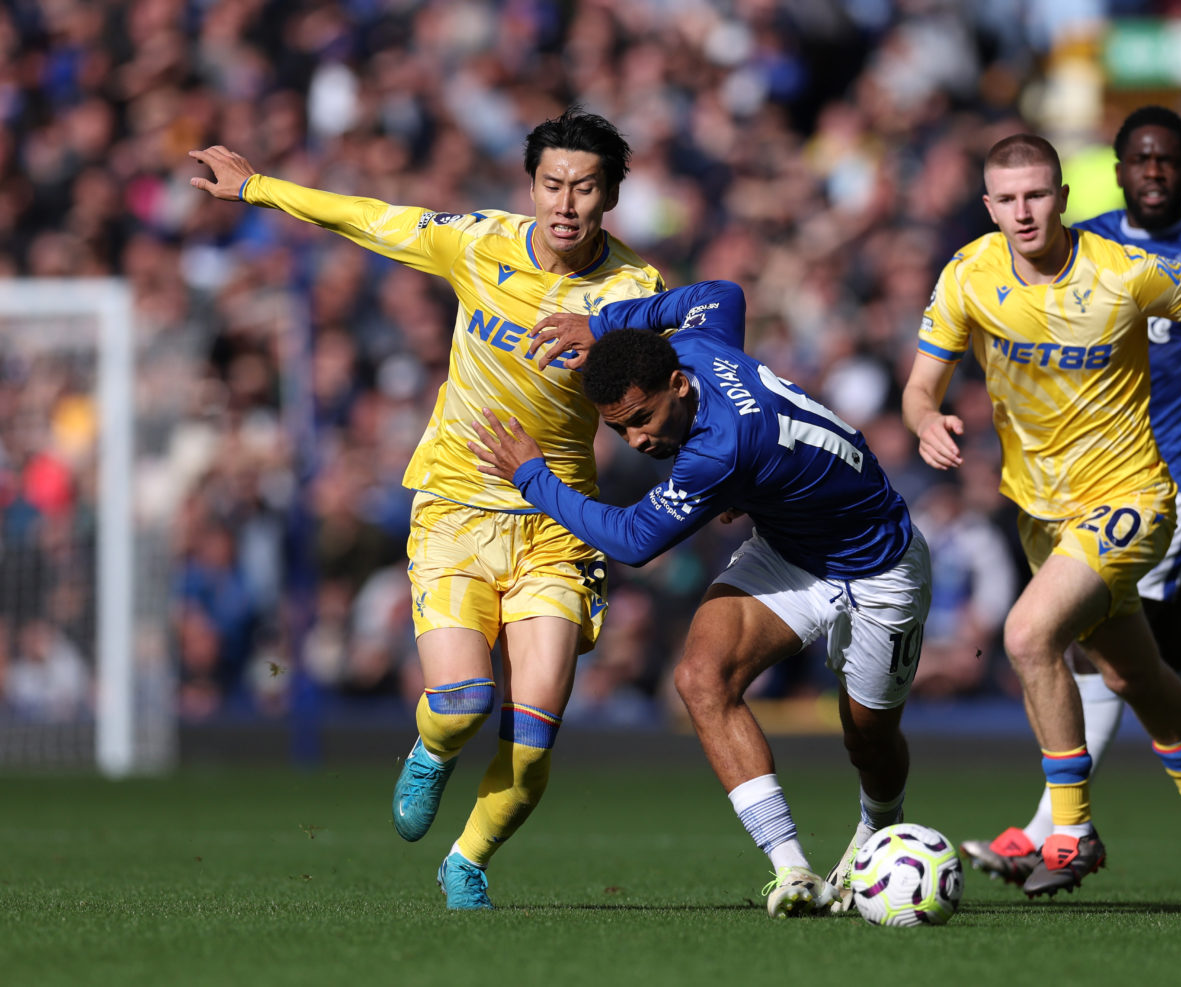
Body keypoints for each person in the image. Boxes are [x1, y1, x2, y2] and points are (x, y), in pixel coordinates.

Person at [189, 108, 665, 910]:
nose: (566, 203)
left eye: (585, 187)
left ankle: (467, 862)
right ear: (532, 185)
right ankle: (432, 749)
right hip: (454, 508)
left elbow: (679, 387)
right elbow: (375, 218)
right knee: (462, 705)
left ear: (611, 195)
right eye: (552, 183)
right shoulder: (477, 240)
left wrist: (720, 476)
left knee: (534, 733)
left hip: (558, 523)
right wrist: (256, 188)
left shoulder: (635, 289)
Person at [468, 279, 931, 918]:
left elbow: (631, 540)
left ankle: (878, 829)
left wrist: (532, 478)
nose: (636, 440)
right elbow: (724, 292)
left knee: (868, 736)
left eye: (641, 420)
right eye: (619, 428)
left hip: (881, 566)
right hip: (792, 553)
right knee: (700, 679)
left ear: (678, 387)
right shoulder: (696, 346)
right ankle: (792, 870)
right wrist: (602, 323)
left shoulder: (721, 449)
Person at [962, 106, 1181, 887]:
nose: (1154, 171)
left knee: (1080, 637)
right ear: (1117, 171)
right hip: (1079, 486)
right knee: (1143, 645)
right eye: (1140, 159)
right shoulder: (1080, 241)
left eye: (1169, 160)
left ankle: (1053, 828)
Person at [902, 133, 1181, 901]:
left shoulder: (1123, 271)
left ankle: (1071, 830)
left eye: (1038, 194)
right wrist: (926, 418)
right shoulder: (969, 273)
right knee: (1131, 670)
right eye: (1009, 198)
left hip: (1130, 497)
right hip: (1041, 513)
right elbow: (919, 385)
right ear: (990, 206)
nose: (1025, 211)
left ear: (1063, 196)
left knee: (1029, 635)